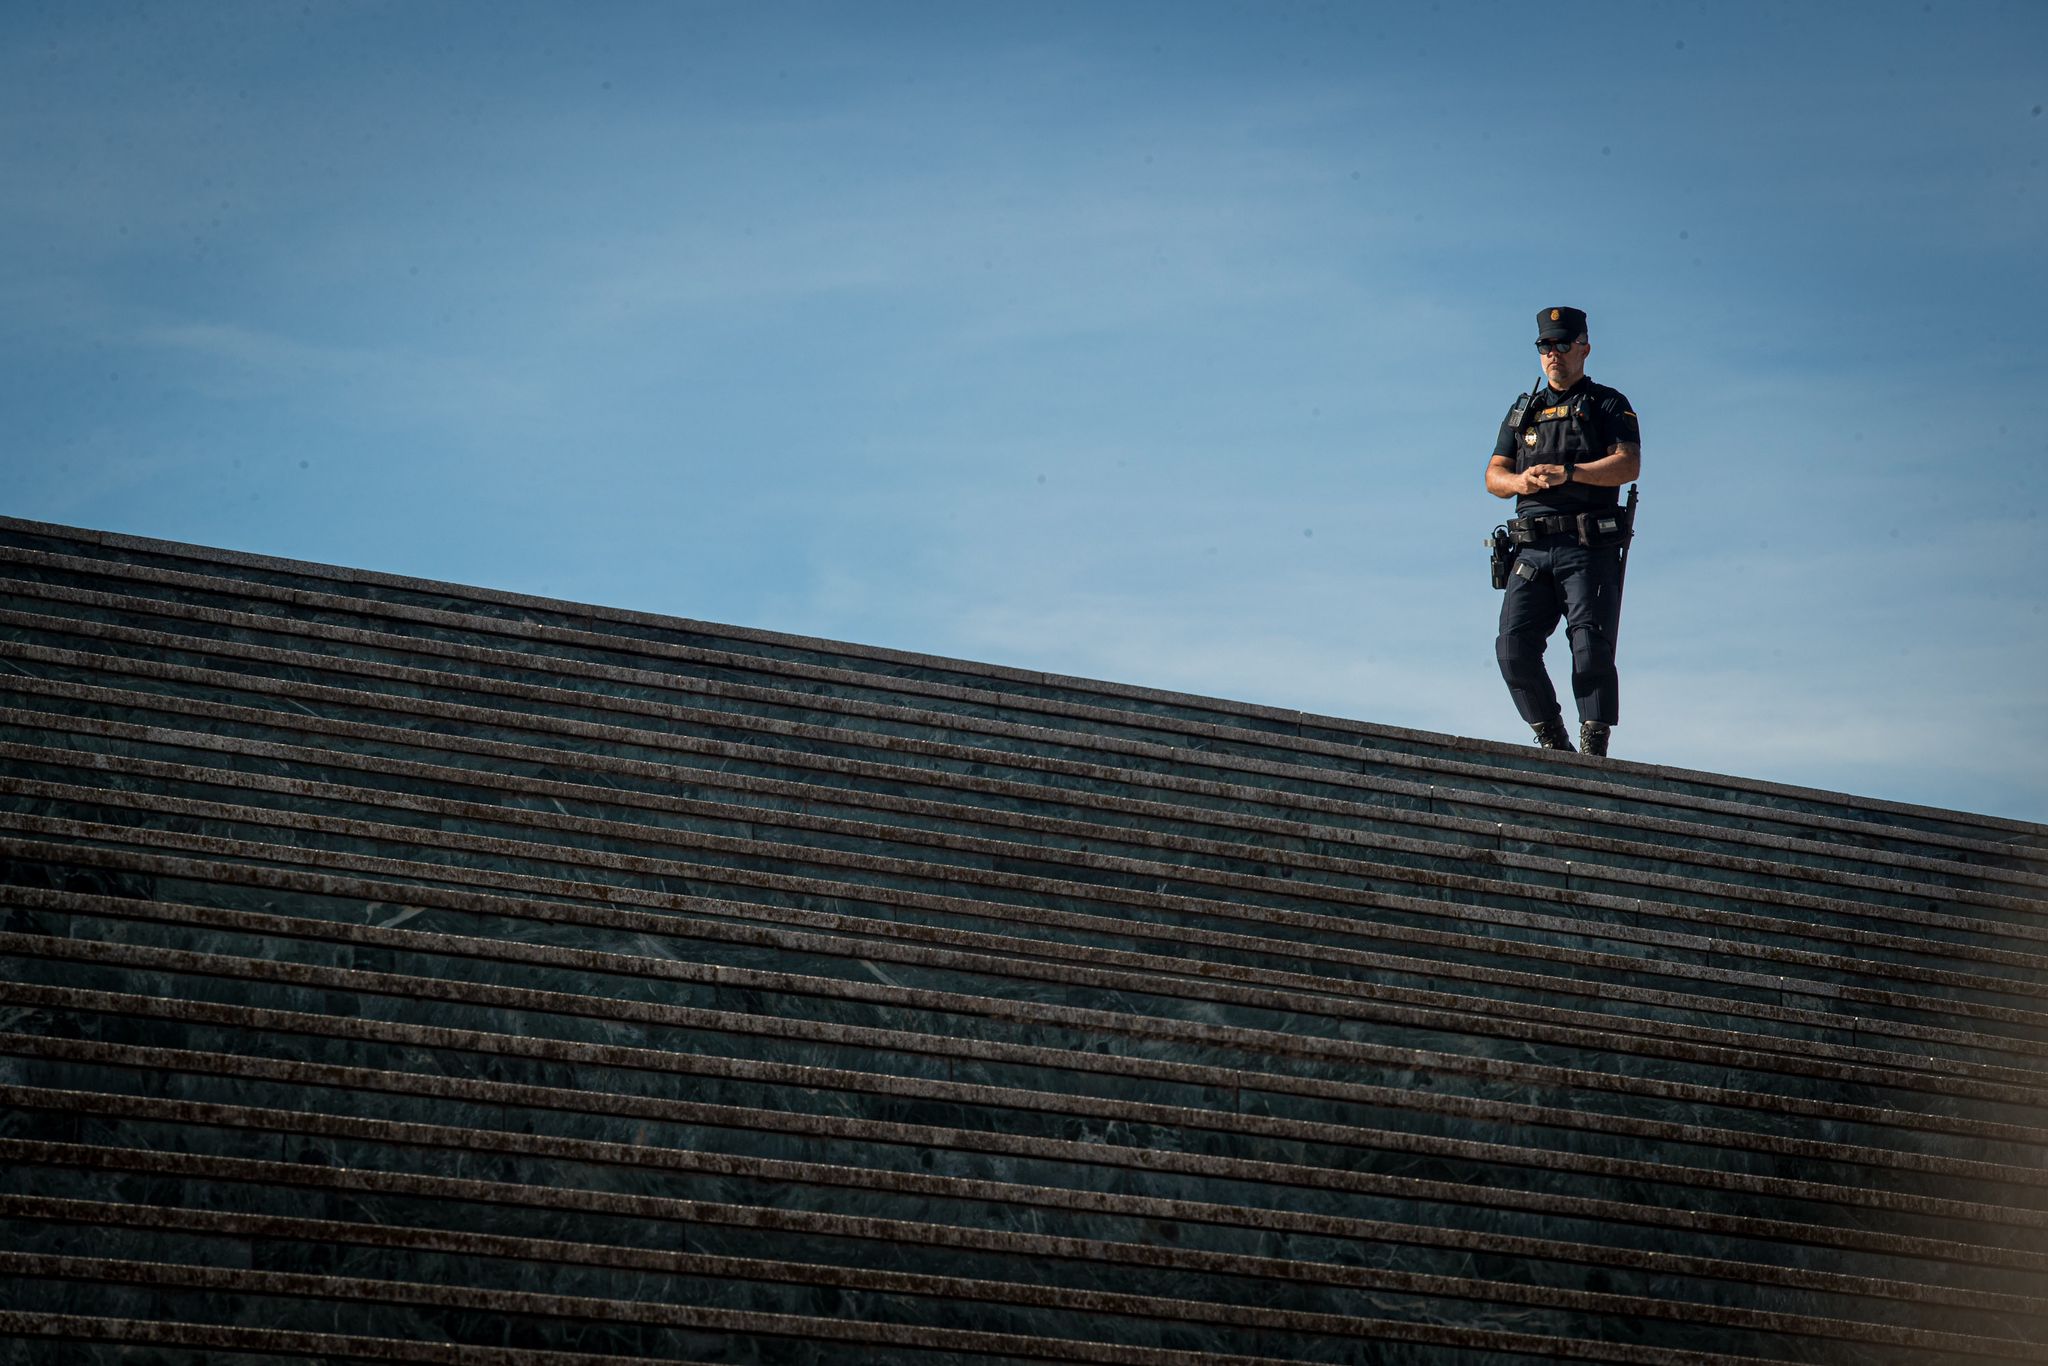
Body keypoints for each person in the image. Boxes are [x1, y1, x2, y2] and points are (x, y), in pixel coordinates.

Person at [1485, 307, 1641, 756]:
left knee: (1590, 647)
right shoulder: (1524, 410)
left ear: (1584, 349)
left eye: (1562, 345)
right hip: (1530, 551)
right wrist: (1521, 481)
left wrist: (1569, 473)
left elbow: (1628, 464)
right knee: (1513, 648)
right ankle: (1553, 740)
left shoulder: (1606, 403)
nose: (1553, 354)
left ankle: (1593, 747)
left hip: (1585, 547)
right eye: (1545, 346)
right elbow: (1493, 475)